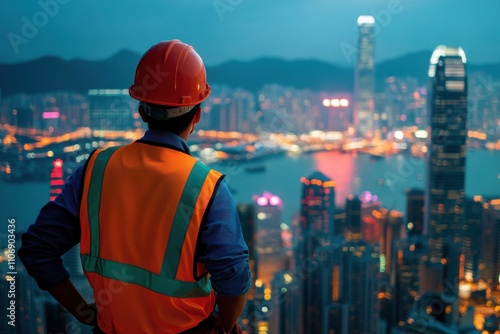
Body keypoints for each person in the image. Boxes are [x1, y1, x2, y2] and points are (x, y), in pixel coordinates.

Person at [19, 40, 251, 333]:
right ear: (197, 116)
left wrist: (80, 310)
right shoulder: (207, 187)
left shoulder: (96, 168)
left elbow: (37, 248)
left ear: (142, 112)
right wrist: (226, 325)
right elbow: (233, 275)